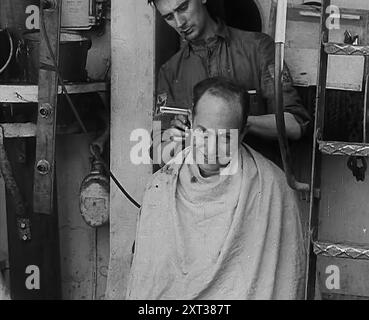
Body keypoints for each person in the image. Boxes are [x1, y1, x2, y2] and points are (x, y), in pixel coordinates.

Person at [127, 77, 306, 300]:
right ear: (191, 121)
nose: (210, 148)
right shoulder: (161, 185)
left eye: (224, 138)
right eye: (202, 132)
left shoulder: (273, 188)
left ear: (241, 134)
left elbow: (286, 283)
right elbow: (149, 284)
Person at [149, 0, 310, 167]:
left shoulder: (258, 48)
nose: (180, 22)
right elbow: (157, 153)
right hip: (199, 185)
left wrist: (237, 121)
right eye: (169, 17)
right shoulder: (170, 72)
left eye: (183, 8)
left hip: (255, 182)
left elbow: (295, 125)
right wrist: (179, 138)